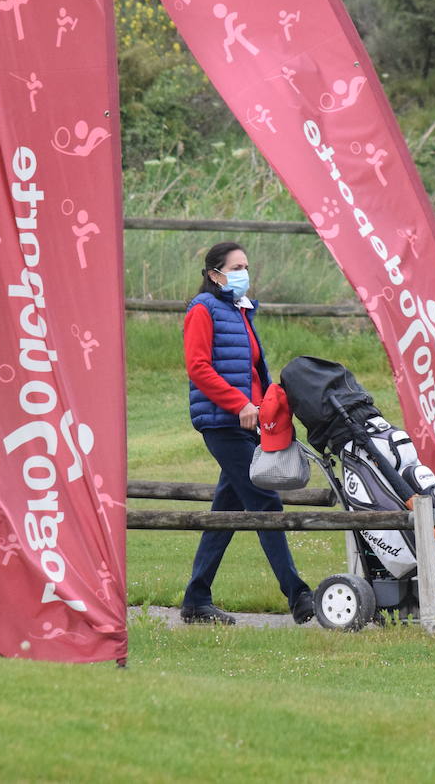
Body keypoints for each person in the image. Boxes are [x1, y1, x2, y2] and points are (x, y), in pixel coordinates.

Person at [179, 241, 315, 625]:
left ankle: (196, 599)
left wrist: (269, 407)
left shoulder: (239, 311)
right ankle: (298, 594)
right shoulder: (202, 309)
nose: (244, 273)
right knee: (265, 502)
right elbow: (199, 367)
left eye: (246, 266)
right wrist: (238, 404)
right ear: (214, 273)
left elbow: (254, 371)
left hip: (251, 423)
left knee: (228, 509)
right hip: (224, 424)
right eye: (237, 267)